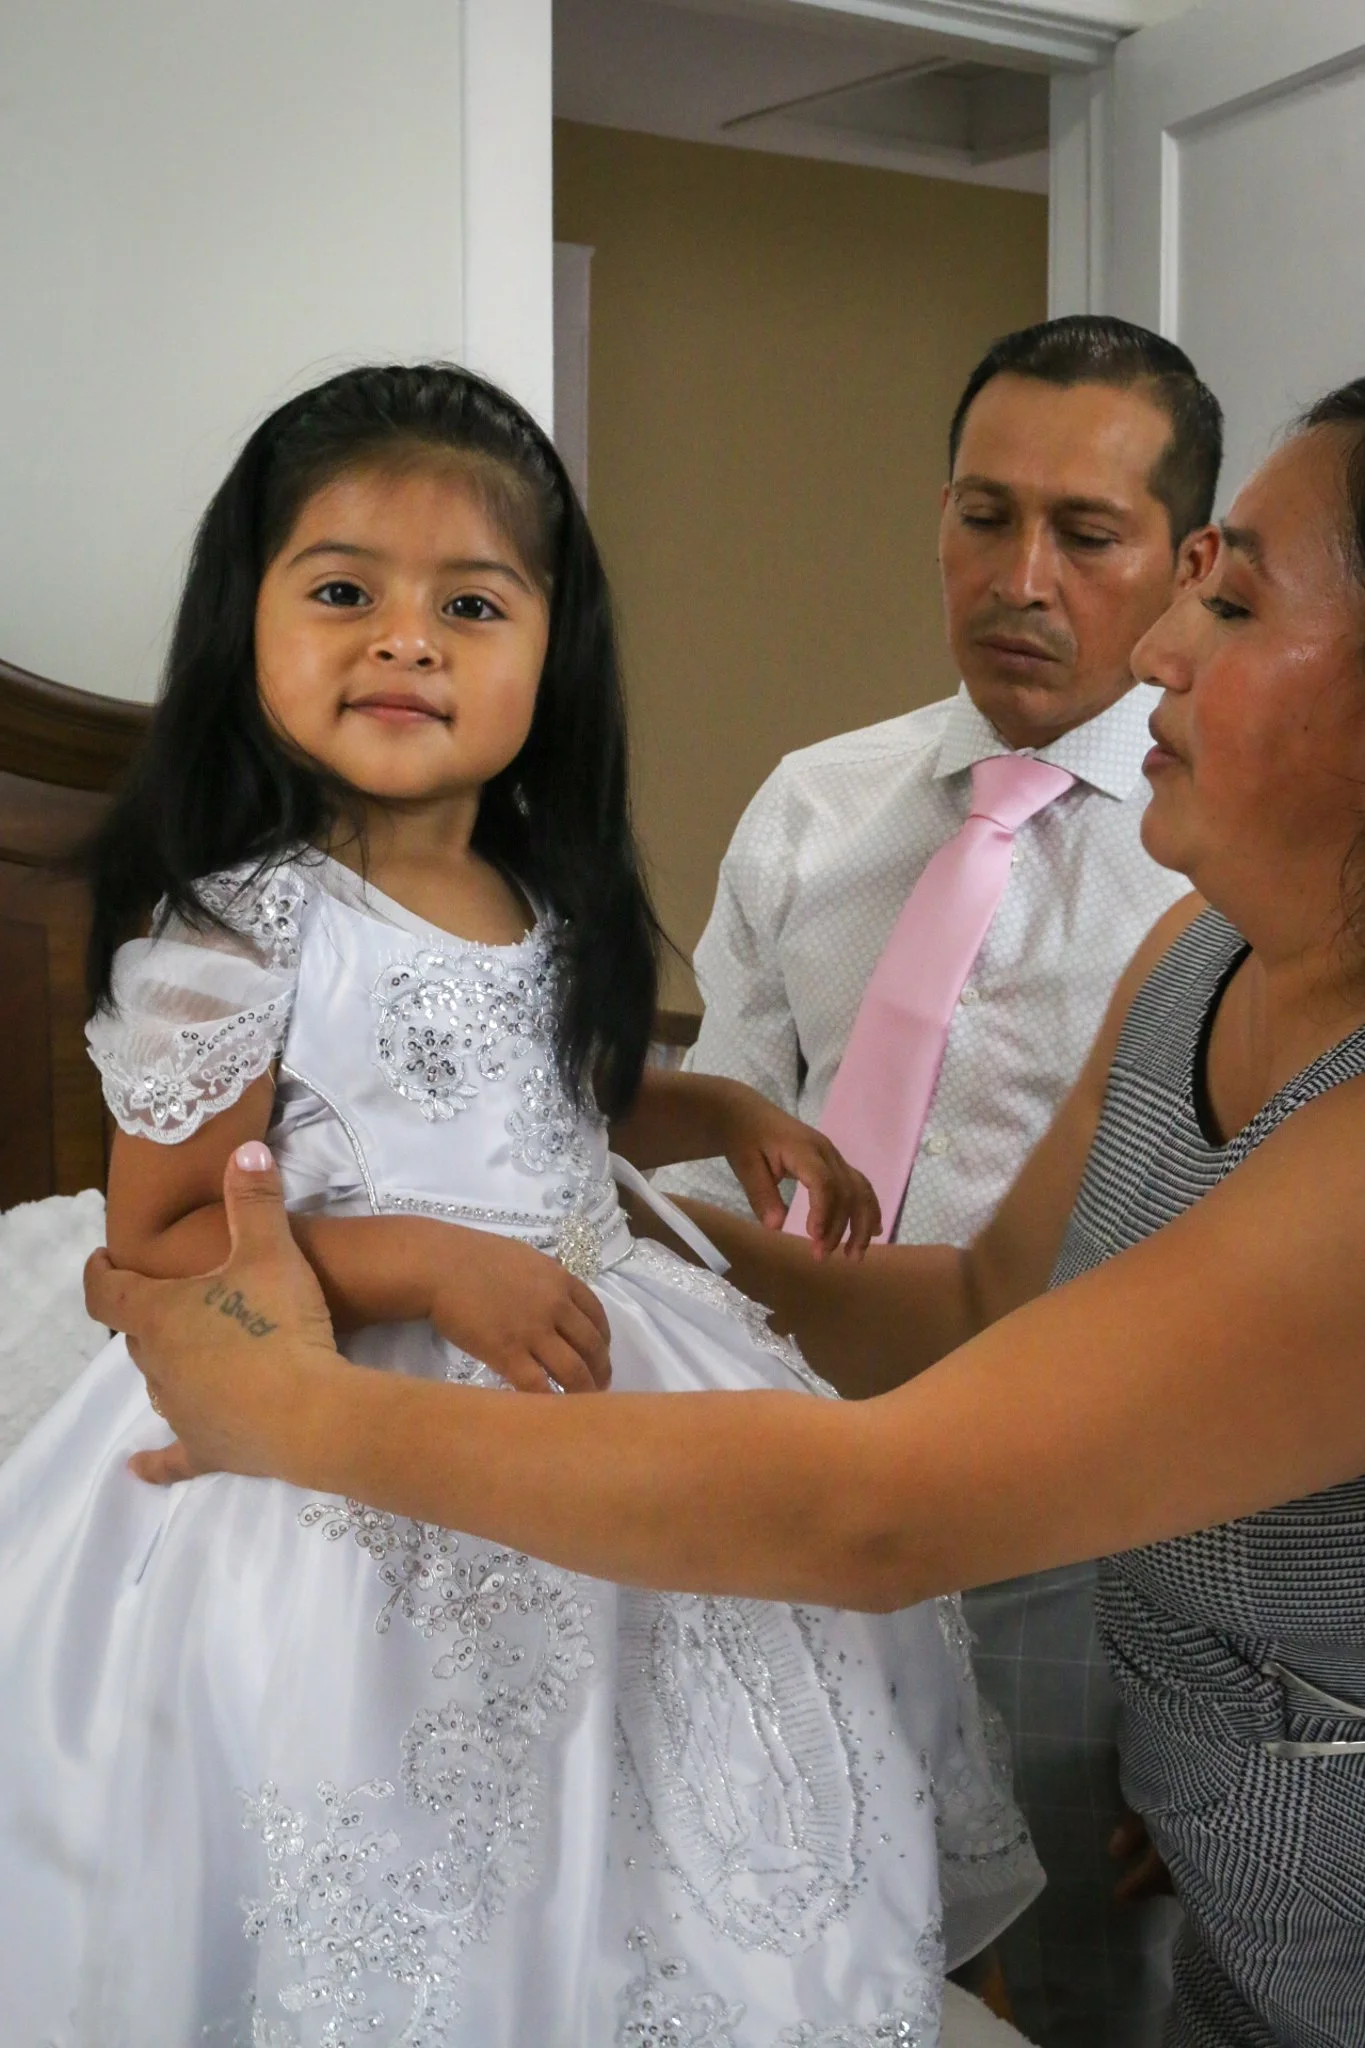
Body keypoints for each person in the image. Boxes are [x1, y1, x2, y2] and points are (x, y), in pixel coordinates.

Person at [102, 375, 1365, 2048]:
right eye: (342, 590)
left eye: (1230, 597)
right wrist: (598, 1219)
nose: (1156, 649)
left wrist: (299, 1406)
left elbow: (871, 1513)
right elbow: (987, 1300)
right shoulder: (1188, 958)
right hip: (1232, 1899)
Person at [0, 364, 1042, 2048]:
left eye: (469, 606)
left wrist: (714, 1107)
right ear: (244, 624)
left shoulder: (544, 894)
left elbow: (540, 1092)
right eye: (344, 593)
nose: (405, 643)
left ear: (552, 655)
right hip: (328, 1413)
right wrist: (423, 1263)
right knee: (406, 1791)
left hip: (589, 1359)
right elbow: (166, 1238)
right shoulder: (238, 928)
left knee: (672, 1751)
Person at [657, 314, 1224, 2047]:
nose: (1019, 579)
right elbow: (730, 1159)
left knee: (1069, 1998)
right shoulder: (814, 808)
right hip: (785, 1488)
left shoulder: (1219, 864)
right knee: (792, 1970)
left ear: (1189, 562)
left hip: (1090, 1529)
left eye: (1086, 534)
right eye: (985, 517)